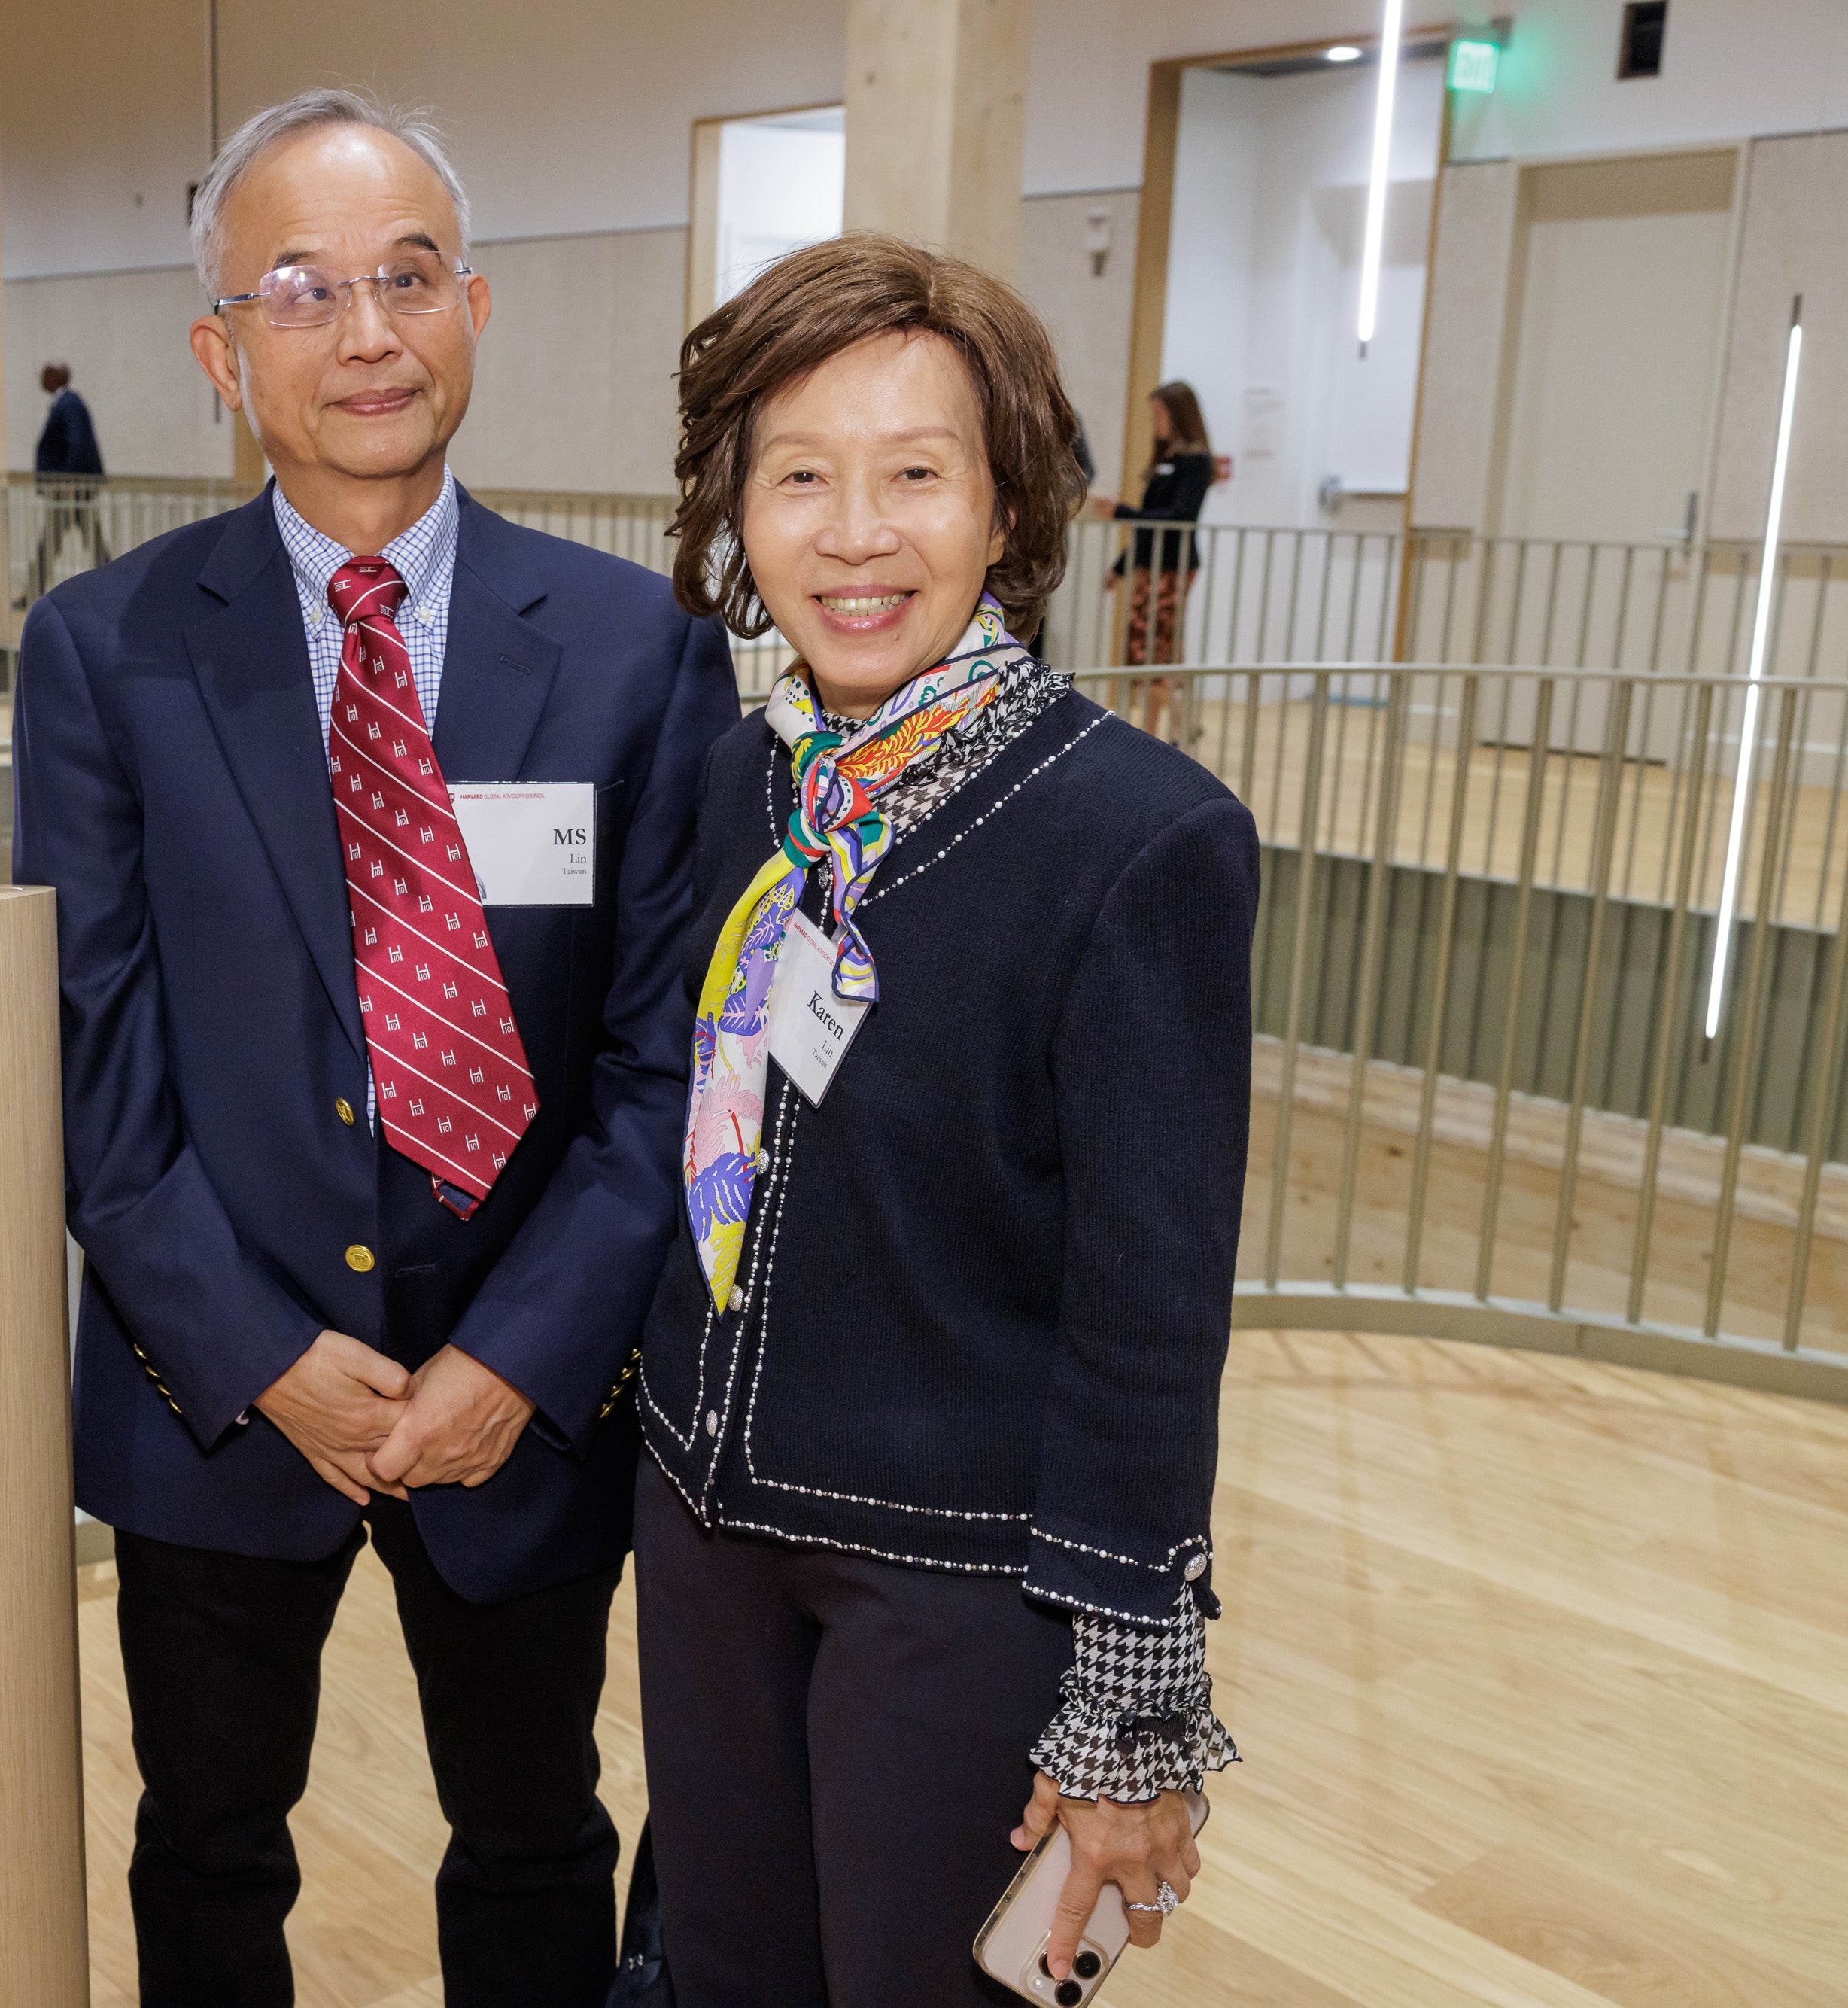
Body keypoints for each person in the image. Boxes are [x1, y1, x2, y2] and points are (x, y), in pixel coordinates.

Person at [11, 89, 740, 2007]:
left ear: (474, 313)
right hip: (221, 1390)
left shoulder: (632, 647)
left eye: (407, 279)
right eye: (301, 290)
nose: (364, 335)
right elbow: (93, 1063)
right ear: (219, 352)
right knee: (207, 1845)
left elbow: (665, 1060)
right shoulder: (106, 649)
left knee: (532, 1840)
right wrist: (265, 1357)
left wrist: (515, 1355)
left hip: (526, 1388)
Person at [631, 233, 1254, 2006]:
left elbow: (1151, 1303)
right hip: (700, 1526)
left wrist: (1127, 1693)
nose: (852, 532)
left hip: (958, 1584)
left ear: (1006, 512)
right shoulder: (744, 784)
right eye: (797, 477)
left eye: (914, 475)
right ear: (732, 515)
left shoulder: (1133, 838)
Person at [1109, 380, 1214, 735]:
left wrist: (1122, 512)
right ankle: (1178, 724)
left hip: (1173, 567)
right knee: (1152, 646)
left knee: (1157, 648)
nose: (1155, 421)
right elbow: (1148, 525)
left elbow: (1179, 516)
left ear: (1178, 415)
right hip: (1149, 565)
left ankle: (1154, 731)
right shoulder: (1165, 460)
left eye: (1159, 413)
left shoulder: (1196, 462)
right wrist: (1121, 567)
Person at [24, 361, 111, 604]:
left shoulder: (69, 404)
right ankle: (115, 587)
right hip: (72, 489)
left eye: (45, 375)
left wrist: (66, 482)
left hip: (70, 490)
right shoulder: (66, 403)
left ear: (55, 378)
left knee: (57, 542)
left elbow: (77, 446)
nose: (41, 379)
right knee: (89, 543)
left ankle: (33, 591)